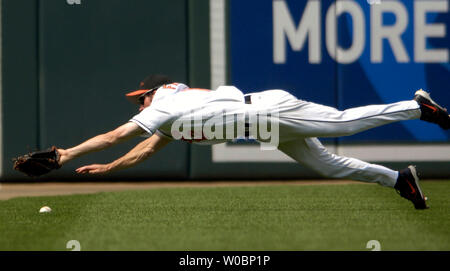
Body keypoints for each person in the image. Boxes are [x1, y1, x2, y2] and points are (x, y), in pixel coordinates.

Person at [57, 74, 450, 210]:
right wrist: (109, 169)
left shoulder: (163, 103)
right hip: (265, 123)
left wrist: (66, 154)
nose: (139, 104)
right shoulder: (173, 111)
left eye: (140, 97)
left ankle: (417, 108)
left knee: (342, 125)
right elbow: (143, 149)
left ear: (154, 93)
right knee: (328, 165)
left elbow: (114, 136)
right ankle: (401, 181)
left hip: (266, 111)